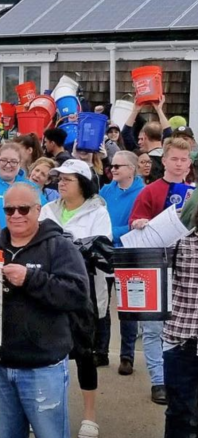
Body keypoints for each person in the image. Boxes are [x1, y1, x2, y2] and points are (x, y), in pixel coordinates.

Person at [0, 183, 91, 438]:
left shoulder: (60, 246)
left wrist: (31, 279)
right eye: (10, 210)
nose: (16, 215)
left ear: (38, 209)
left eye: (23, 209)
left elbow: (77, 295)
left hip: (43, 368)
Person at [38, 159, 112, 438]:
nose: (61, 182)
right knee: (46, 352)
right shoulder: (47, 209)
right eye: (59, 178)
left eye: (68, 179)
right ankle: (44, 411)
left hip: (83, 290)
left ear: (82, 183)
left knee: (84, 353)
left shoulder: (98, 210)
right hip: (48, 287)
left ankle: (89, 417)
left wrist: (66, 245)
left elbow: (100, 247)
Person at [129, 137, 193, 405]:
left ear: (190, 163)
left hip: (188, 271)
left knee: (183, 330)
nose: (179, 164)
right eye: (174, 159)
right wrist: (140, 222)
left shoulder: (194, 191)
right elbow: (133, 221)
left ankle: (179, 377)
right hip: (155, 264)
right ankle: (159, 381)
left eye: (183, 160)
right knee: (154, 329)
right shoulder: (150, 191)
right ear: (164, 160)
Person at [99, 151, 145, 377]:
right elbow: (98, 218)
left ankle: (127, 355)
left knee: (128, 307)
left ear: (132, 169)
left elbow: (141, 225)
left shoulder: (142, 192)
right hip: (106, 251)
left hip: (129, 253)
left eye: (118, 166)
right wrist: (112, 233)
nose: (113, 169)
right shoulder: (107, 189)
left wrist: (110, 232)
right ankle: (101, 350)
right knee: (102, 302)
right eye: (112, 166)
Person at [163, 221, 198, 437]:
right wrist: (143, 229)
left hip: (180, 341)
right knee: (180, 414)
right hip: (182, 339)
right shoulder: (179, 241)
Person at [0, 143, 45, 228]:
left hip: (24, 239)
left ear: (20, 164)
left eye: (13, 162)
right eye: (3, 160)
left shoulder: (31, 188)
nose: (8, 165)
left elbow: (44, 214)